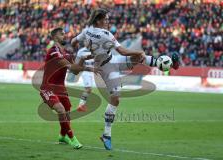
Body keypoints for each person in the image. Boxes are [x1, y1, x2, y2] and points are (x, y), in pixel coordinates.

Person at [71, 7, 179, 150]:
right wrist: (138, 51)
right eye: (106, 19)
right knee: (116, 98)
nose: (108, 21)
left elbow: (73, 41)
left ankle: (165, 63)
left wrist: (82, 51)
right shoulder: (106, 34)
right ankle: (107, 134)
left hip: (113, 60)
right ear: (99, 20)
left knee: (137, 58)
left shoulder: (87, 30)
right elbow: (123, 50)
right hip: (107, 68)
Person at [40, 27, 99, 149]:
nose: (65, 35)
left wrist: (84, 58)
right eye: (62, 34)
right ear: (55, 37)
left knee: (66, 113)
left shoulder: (65, 53)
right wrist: (89, 68)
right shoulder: (53, 52)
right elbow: (72, 68)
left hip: (60, 88)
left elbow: (76, 70)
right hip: (48, 87)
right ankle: (72, 138)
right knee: (61, 110)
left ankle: (62, 136)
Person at [75, 47, 94, 112]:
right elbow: (78, 62)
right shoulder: (81, 51)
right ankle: (80, 105)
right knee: (88, 89)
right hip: (86, 72)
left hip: (91, 72)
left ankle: (82, 105)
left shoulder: (94, 49)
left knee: (89, 90)